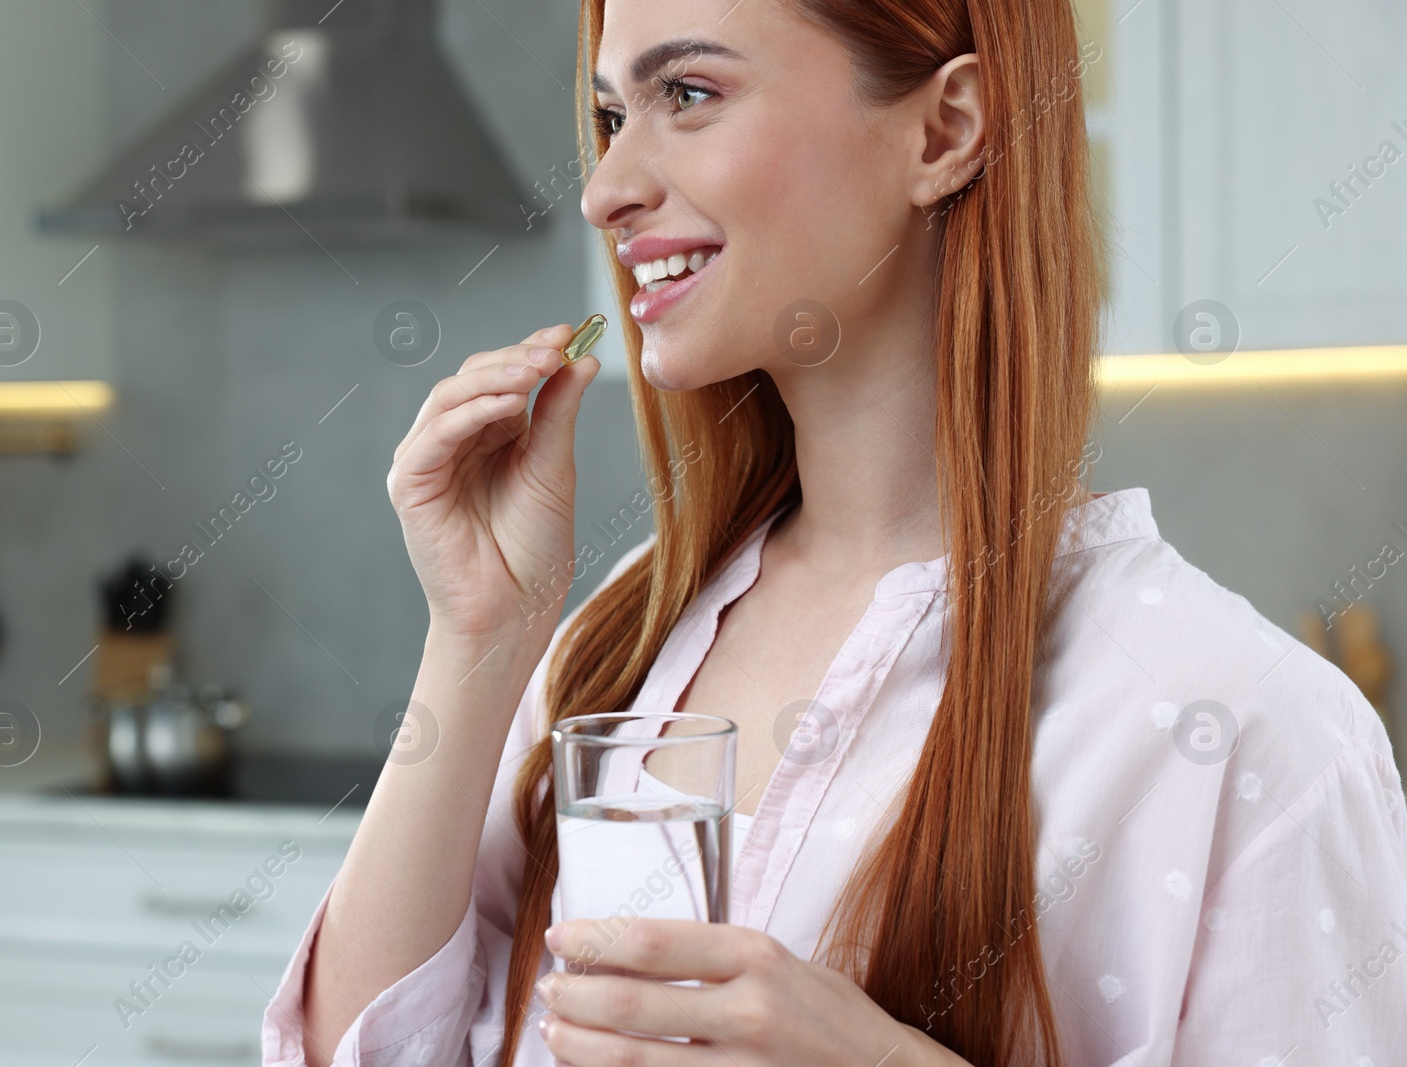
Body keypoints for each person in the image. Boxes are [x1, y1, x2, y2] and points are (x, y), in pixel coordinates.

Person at [263, 0, 1407, 1063]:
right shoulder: (612, 643)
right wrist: (478, 637)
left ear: (944, 130)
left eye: (689, 96)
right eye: (612, 115)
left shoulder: (1254, 732)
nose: (605, 186)